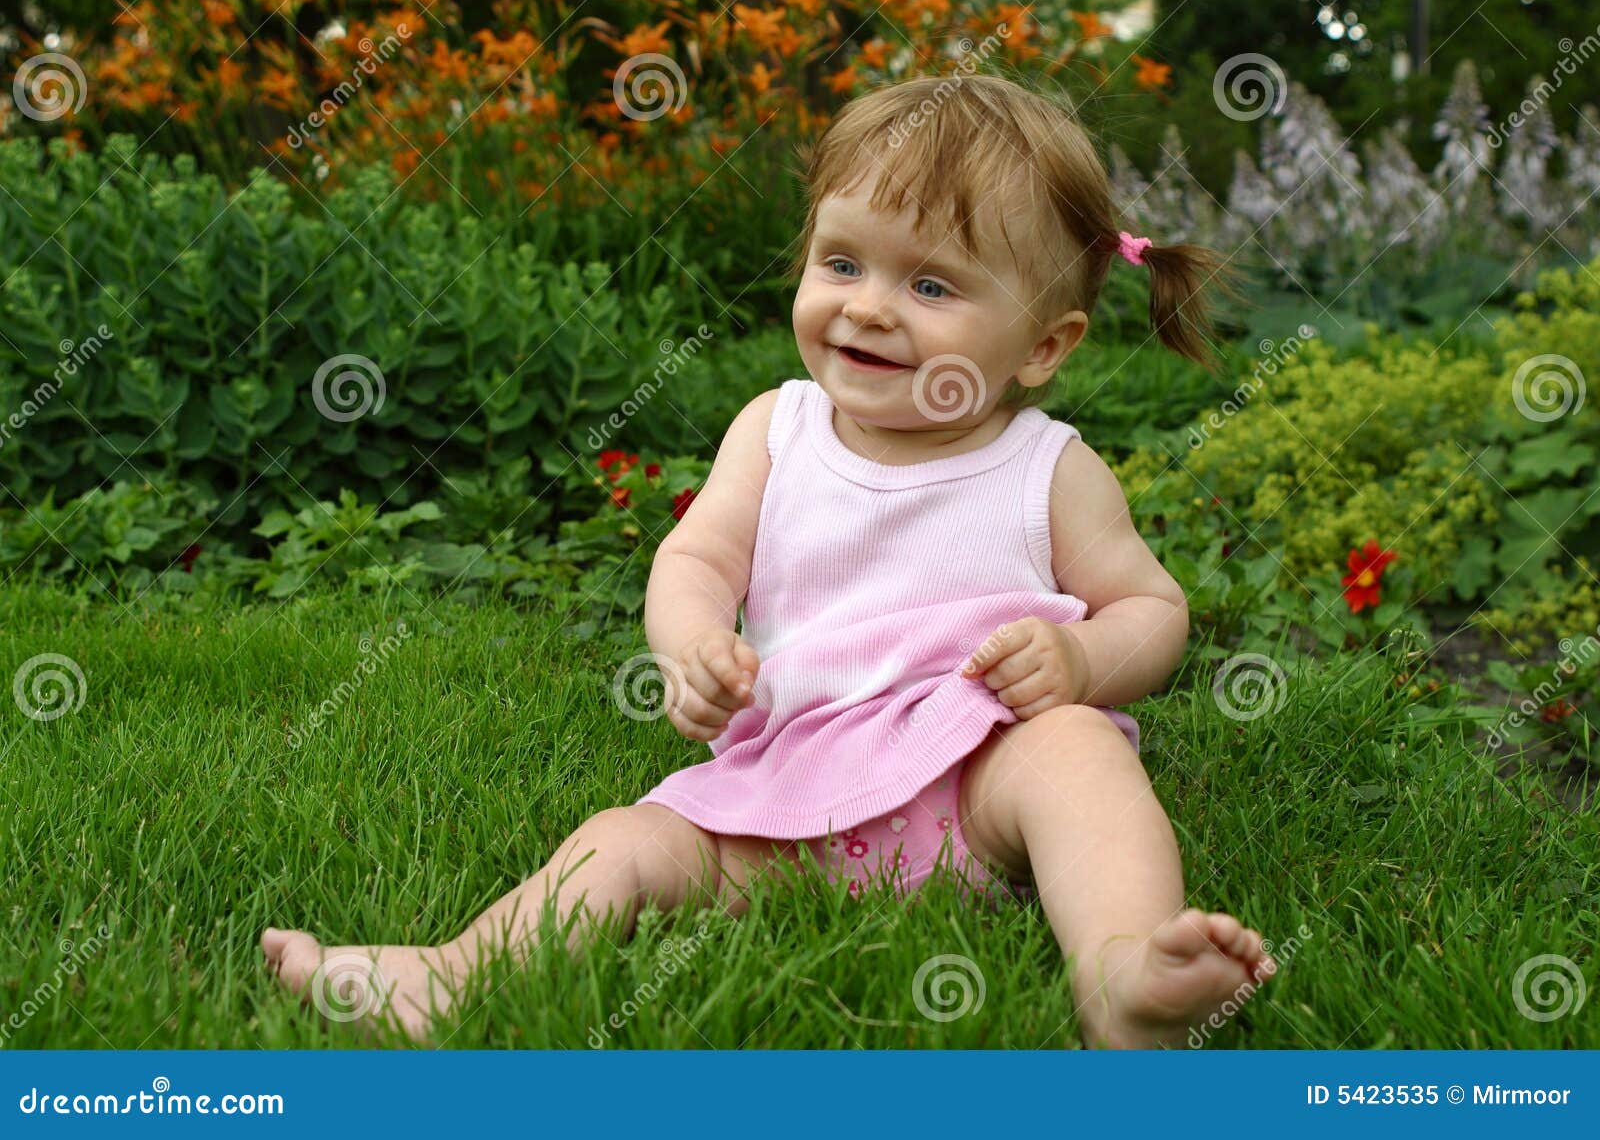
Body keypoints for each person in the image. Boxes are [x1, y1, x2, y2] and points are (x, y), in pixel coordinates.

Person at [263, 72, 1275, 1048]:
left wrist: (1085, 665)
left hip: (980, 783)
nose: (869, 306)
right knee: (626, 838)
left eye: (930, 284)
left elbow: (1150, 605)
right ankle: (456, 973)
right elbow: (697, 554)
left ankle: (1121, 969)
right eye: (842, 263)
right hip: (784, 794)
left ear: (1043, 347)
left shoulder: (1047, 468)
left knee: (1078, 757)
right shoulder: (778, 429)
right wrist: (693, 640)